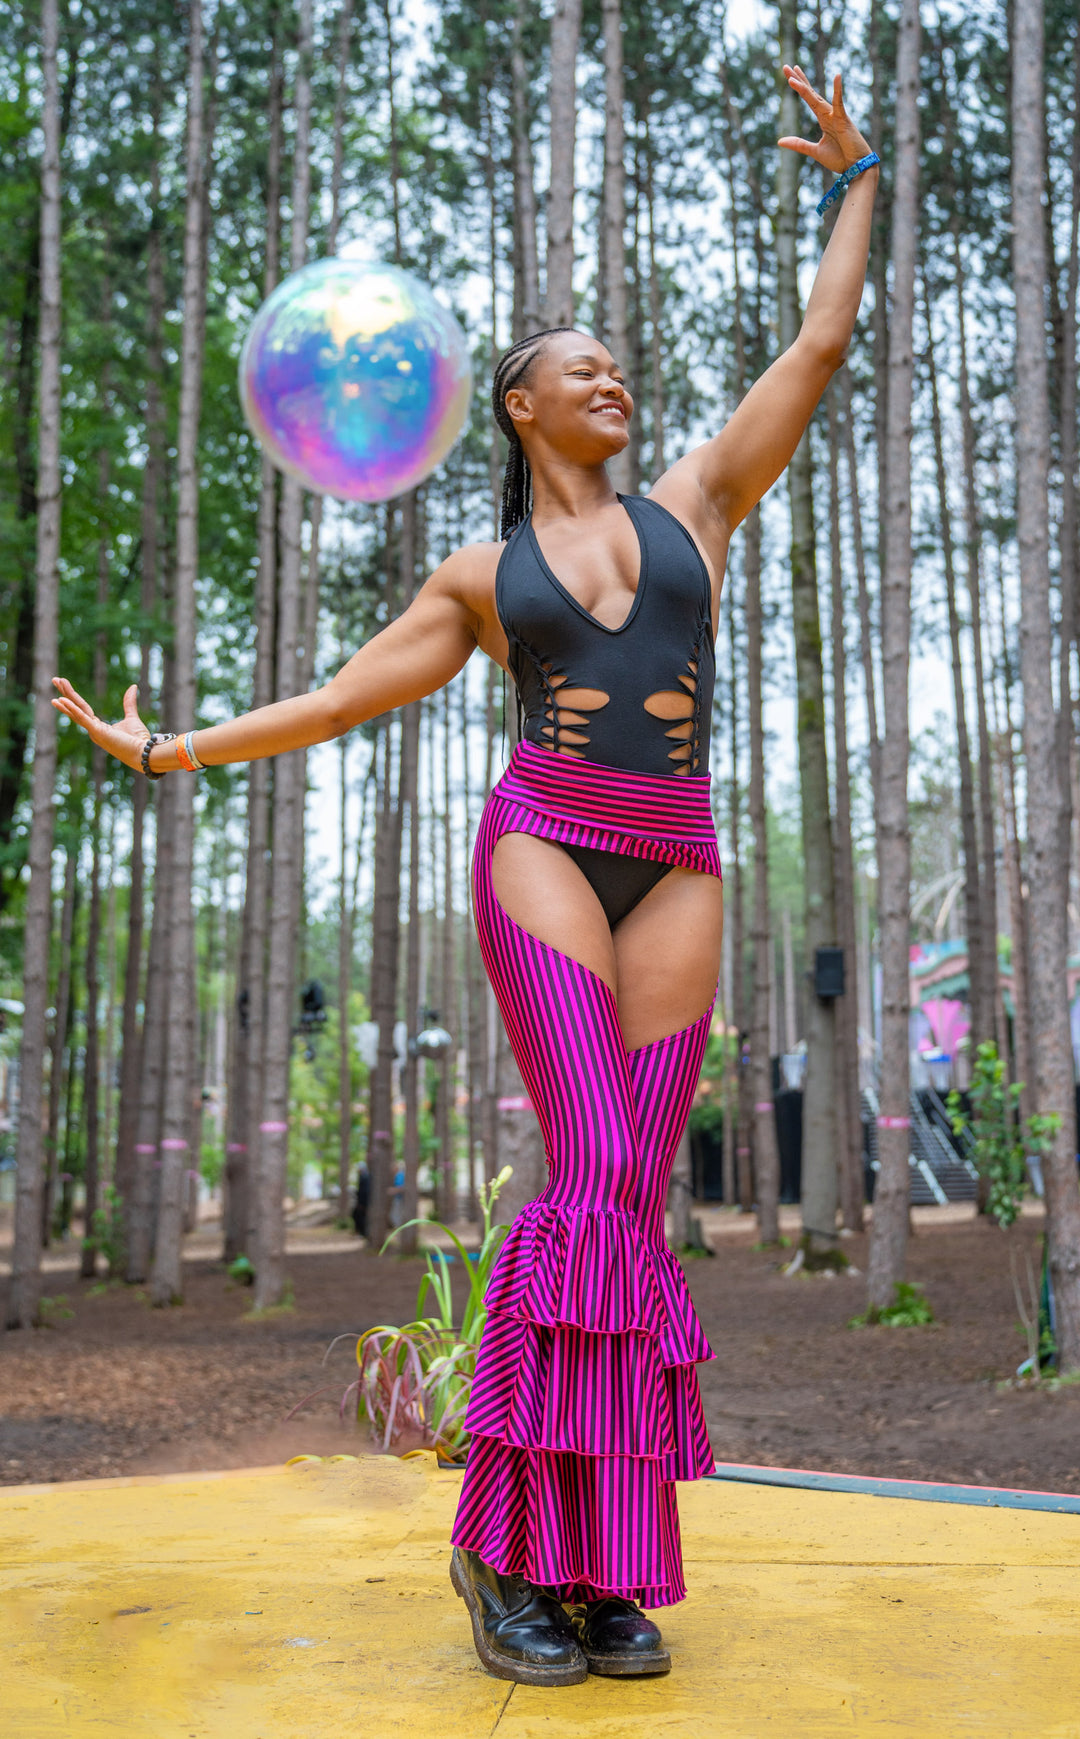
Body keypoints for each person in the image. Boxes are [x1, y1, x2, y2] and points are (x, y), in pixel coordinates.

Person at [54, 65, 877, 1688]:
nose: (612, 377)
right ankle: (501, 1549)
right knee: (587, 1176)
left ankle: (600, 1568)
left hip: (678, 854)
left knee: (631, 1204)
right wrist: (166, 751)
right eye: (581, 366)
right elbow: (339, 700)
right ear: (519, 405)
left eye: (620, 364)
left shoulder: (700, 504)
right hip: (544, 842)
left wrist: (860, 186)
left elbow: (819, 347)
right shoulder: (478, 574)